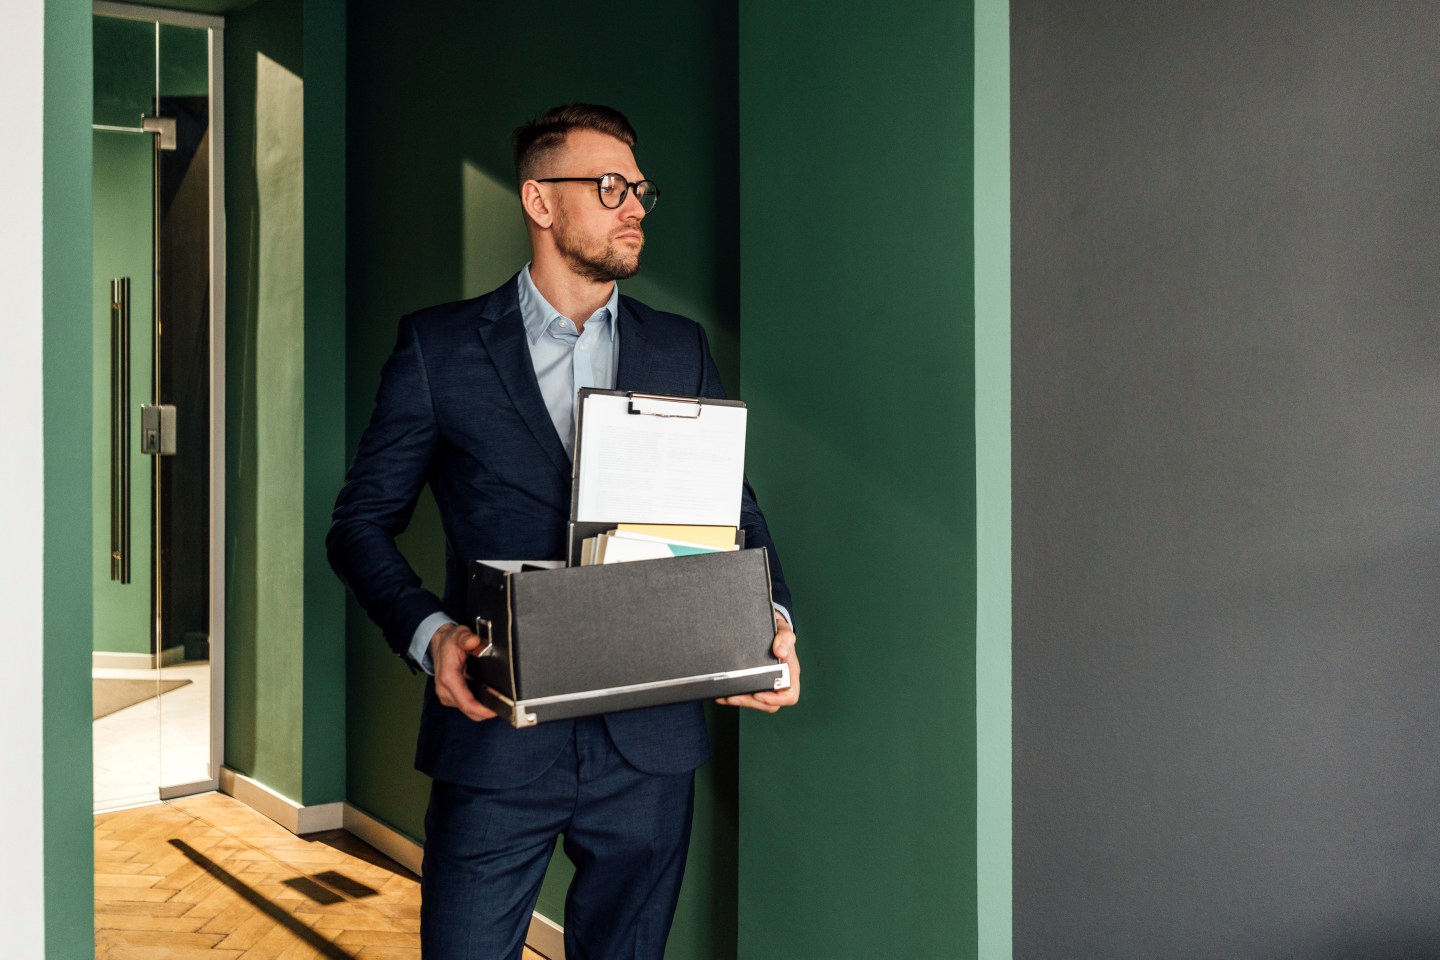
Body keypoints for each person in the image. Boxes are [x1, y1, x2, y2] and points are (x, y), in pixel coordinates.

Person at [326, 103, 800, 960]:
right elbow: (359, 525)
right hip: (495, 740)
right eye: (611, 186)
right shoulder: (439, 349)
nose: (636, 206)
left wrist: (773, 622)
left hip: (650, 747)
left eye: (641, 189)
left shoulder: (680, 348)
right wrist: (431, 635)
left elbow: (733, 510)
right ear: (540, 201)